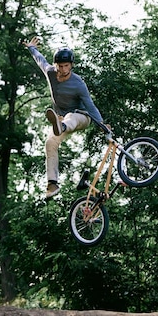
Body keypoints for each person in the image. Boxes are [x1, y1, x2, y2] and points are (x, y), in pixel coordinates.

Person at [23, 35, 104, 199]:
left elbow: (90, 105)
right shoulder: (50, 73)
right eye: (60, 66)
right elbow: (40, 60)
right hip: (61, 120)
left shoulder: (78, 83)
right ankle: (52, 184)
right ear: (56, 65)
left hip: (82, 117)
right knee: (50, 142)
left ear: (71, 65)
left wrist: (102, 125)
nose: (63, 70)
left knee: (70, 117)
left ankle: (63, 126)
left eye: (66, 66)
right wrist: (32, 48)